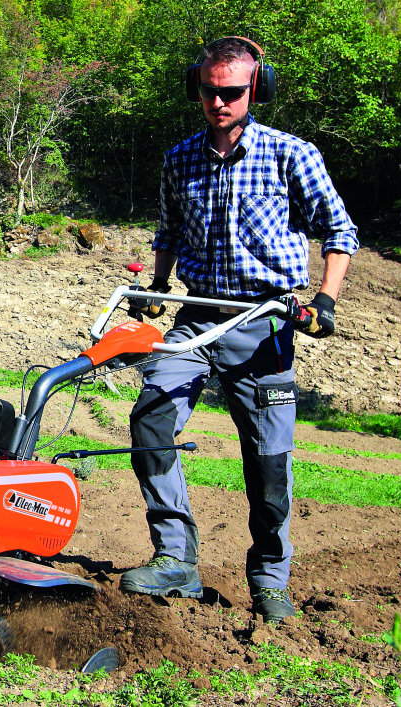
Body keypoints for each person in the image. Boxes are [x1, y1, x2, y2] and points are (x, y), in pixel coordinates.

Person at [118, 36, 357, 625]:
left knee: (268, 463)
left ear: (257, 90)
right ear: (196, 87)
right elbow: (169, 231)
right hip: (197, 316)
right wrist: (157, 285)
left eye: (232, 92)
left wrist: (324, 300)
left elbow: (340, 232)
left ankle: (271, 581)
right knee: (150, 419)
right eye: (209, 90)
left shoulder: (292, 155)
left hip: (264, 322)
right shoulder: (180, 158)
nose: (219, 102)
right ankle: (175, 557)